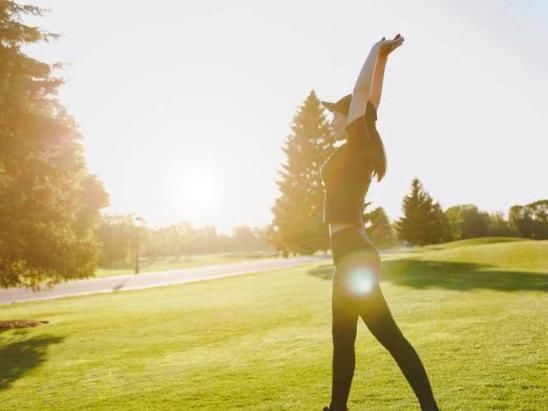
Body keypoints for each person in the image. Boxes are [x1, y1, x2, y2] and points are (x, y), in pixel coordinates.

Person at [319, 34, 440, 411]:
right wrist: (384, 60)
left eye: (335, 113)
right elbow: (371, 102)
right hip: (353, 254)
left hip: (354, 253)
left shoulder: (357, 145)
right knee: (347, 337)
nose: (332, 119)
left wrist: (374, 50)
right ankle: (339, 408)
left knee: (386, 337)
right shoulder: (359, 143)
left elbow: (361, 96)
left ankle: (429, 407)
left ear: (349, 118)